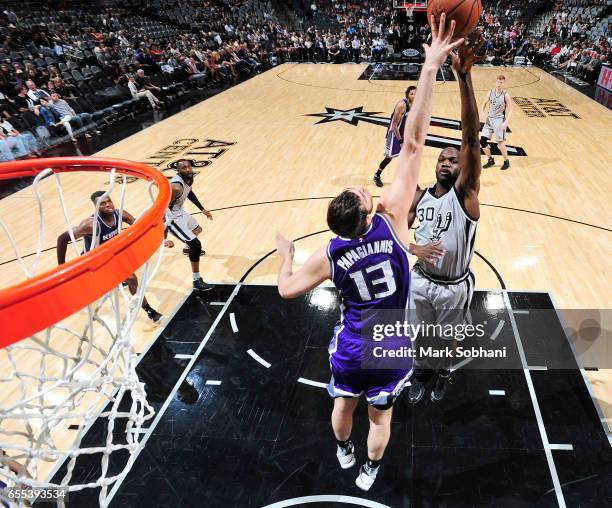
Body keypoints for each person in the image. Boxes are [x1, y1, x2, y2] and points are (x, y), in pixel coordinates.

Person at [275, 15, 463, 492]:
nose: (361, 186)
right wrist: (430, 66)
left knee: (342, 409)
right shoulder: (393, 216)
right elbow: (416, 141)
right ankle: (371, 470)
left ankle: (342, 451)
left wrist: (286, 252)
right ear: (367, 211)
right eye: (359, 192)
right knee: (381, 419)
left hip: (356, 344)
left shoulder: (330, 253)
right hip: (392, 344)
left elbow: (286, 288)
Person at [406, 31, 484, 404]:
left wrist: (463, 78)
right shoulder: (420, 196)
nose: (447, 162)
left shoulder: (465, 196)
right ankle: (422, 371)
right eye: (442, 158)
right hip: (421, 280)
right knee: (419, 335)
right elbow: (392, 233)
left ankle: (444, 372)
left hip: (454, 285)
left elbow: (471, 139)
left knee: (449, 339)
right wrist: (413, 247)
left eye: (453, 160)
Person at [56, 191, 168, 323]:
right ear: (96, 206)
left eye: (109, 200)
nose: (108, 204)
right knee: (84, 291)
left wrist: (161, 237)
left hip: (112, 257)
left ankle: (150, 311)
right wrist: (61, 266)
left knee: (132, 279)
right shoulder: (91, 225)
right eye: (103, 203)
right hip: (92, 262)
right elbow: (62, 238)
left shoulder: (120, 214)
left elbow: (140, 226)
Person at [166, 159, 214, 292]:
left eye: (188, 167)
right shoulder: (176, 187)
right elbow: (163, 208)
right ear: (178, 171)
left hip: (179, 211)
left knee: (197, 229)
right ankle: (196, 280)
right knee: (196, 245)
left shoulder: (189, 178)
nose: (187, 169)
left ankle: (188, 248)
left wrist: (202, 209)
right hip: (171, 217)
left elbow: (189, 193)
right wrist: (163, 233)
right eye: (183, 168)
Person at [373, 86, 417, 187]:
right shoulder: (402, 105)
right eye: (412, 94)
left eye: (416, 94)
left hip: (404, 133)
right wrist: (401, 141)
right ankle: (377, 176)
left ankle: (410, 181)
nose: (414, 96)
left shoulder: (415, 104)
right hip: (395, 134)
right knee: (388, 158)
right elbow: (394, 125)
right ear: (407, 95)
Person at [480, 75, 513, 170]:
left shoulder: (505, 95)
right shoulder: (490, 92)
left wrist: (506, 122)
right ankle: (490, 159)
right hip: (489, 120)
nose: (499, 84)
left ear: (504, 83)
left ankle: (506, 161)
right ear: (495, 82)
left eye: (501, 82)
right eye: (498, 82)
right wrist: (482, 111)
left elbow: (511, 110)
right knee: (482, 140)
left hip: (499, 120)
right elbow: (484, 103)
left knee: (500, 143)